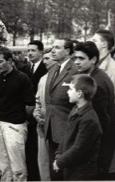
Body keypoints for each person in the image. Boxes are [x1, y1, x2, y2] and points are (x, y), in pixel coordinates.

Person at [73, 41, 115, 180]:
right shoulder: (97, 75)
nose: (76, 62)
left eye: (81, 58)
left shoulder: (95, 83)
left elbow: (101, 121)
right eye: (75, 58)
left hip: (100, 146)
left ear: (93, 59)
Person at [0, 47, 36, 181]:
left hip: (16, 126)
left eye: (0, 61)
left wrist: (20, 119)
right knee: (4, 164)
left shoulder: (22, 78)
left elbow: (30, 104)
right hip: (0, 123)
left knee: (18, 167)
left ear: (10, 61)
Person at [53, 74, 102, 180]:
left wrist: (60, 162)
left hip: (82, 172)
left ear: (79, 93)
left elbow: (79, 148)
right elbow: (66, 136)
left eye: (70, 89)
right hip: (71, 168)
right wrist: (58, 155)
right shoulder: (75, 111)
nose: (67, 92)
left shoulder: (89, 119)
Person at [44, 38, 77, 180]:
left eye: (57, 47)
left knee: (65, 171)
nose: (52, 50)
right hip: (51, 129)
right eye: (52, 47)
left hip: (67, 131)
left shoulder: (75, 70)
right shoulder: (53, 69)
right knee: (54, 171)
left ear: (67, 51)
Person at [18, 40, 47, 181]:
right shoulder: (23, 69)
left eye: (33, 50)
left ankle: (36, 177)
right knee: (25, 149)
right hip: (23, 114)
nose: (30, 53)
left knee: (37, 150)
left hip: (38, 115)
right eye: (28, 50)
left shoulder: (46, 69)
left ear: (41, 52)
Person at [33, 47, 56, 181]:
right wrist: (36, 114)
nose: (44, 62)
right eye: (44, 59)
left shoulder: (60, 79)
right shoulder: (42, 79)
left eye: (47, 59)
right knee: (43, 161)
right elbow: (37, 101)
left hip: (55, 128)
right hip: (42, 128)